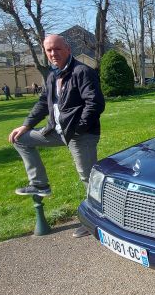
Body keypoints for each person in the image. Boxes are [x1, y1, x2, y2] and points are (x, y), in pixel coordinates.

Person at [8, 34, 105, 238]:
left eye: (57, 49)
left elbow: (94, 103)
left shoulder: (82, 72)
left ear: (67, 49)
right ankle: (40, 184)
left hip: (80, 135)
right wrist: (26, 126)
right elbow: (44, 103)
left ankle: (95, 221)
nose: (53, 53)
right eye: (49, 50)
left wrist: (78, 128)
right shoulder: (53, 75)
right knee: (20, 139)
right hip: (57, 131)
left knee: (88, 178)